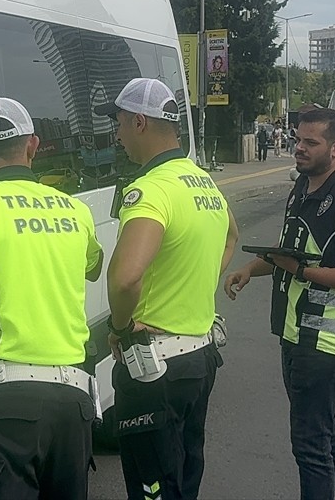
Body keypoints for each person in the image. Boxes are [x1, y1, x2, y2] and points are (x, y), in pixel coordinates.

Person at [0, 96, 103, 499]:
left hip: (6, 407)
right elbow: (93, 267)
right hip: (73, 401)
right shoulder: (73, 210)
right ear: (32, 145)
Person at [223, 107, 335, 500]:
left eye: (311, 143)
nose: (299, 149)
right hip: (298, 334)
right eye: (297, 140)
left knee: (310, 446)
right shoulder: (303, 188)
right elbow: (290, 252)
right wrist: (250, 269)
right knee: (323, 432)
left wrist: (301, 272)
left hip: (328, 343)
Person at [95, 78, 238, 500]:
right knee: (184, 473)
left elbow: (124, 277)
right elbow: (231, 235)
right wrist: (192, 280)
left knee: (153, 487)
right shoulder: (202, 181)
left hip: (153, 368)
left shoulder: (151, 190)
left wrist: (121, 328)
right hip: (199, 356)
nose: (117, 135)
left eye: (119, 123)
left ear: (139, 122)